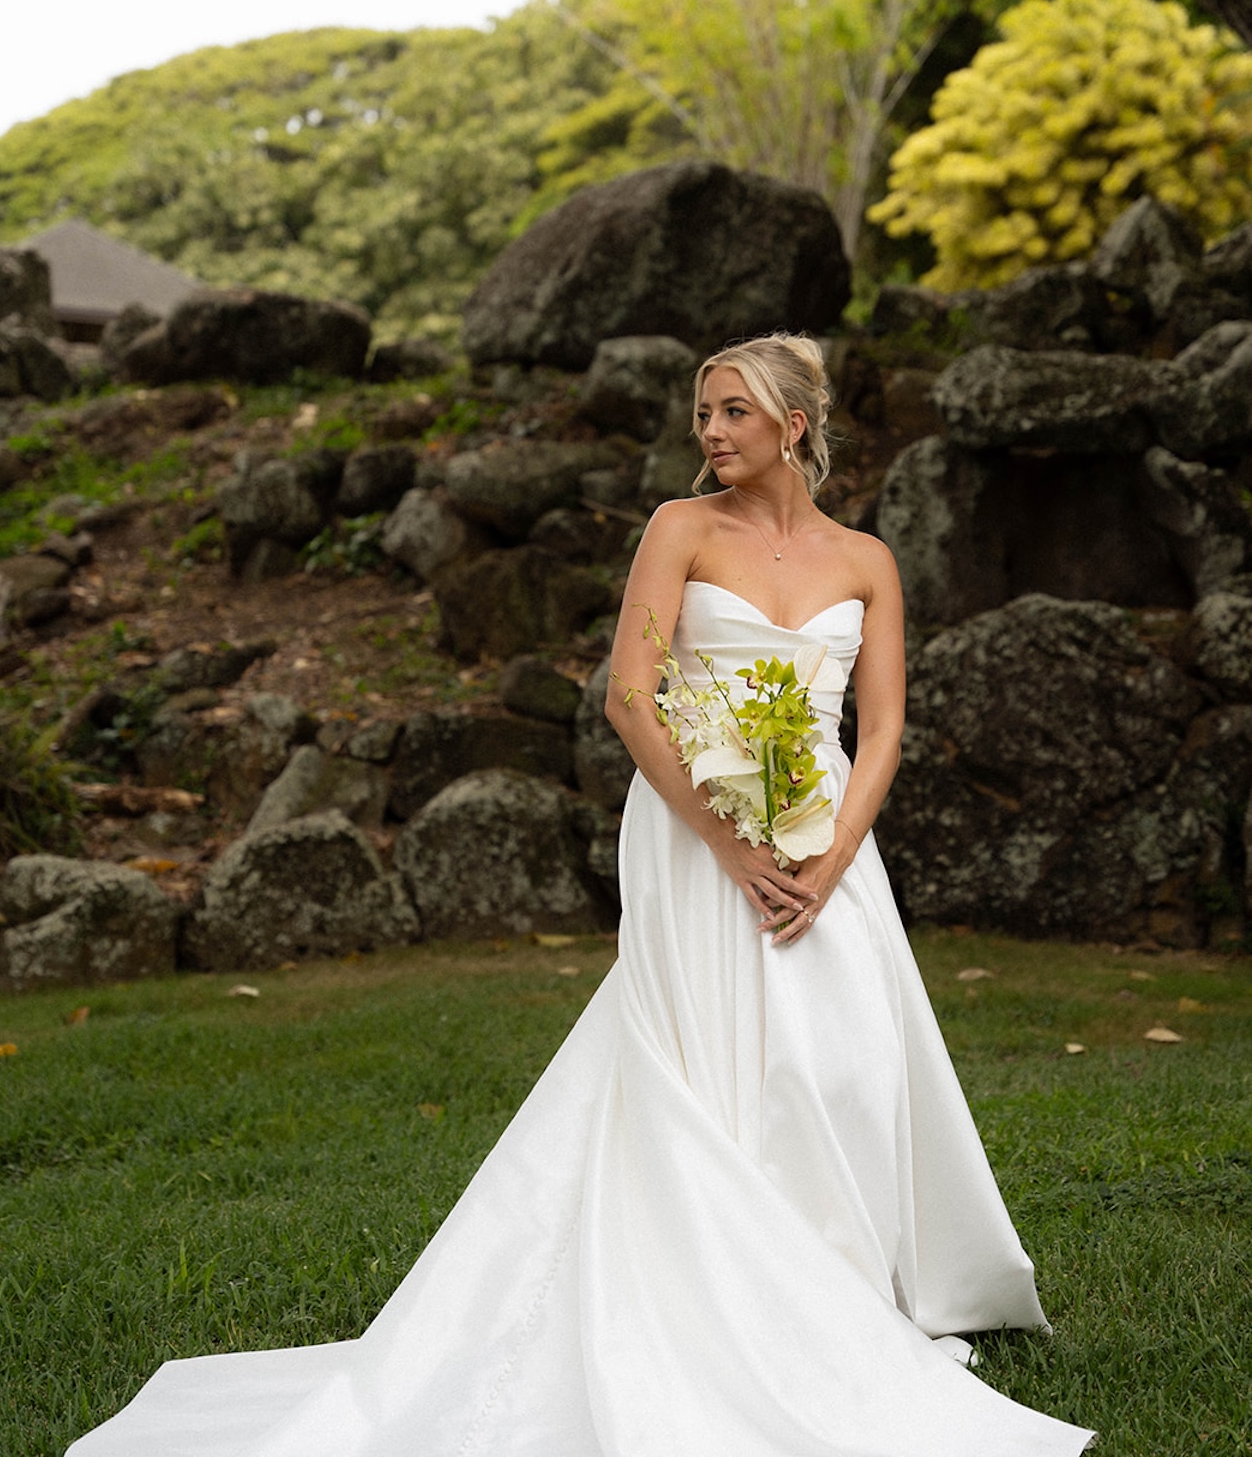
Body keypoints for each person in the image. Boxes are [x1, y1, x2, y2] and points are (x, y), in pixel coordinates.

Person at [68, 333, 1094, 1457]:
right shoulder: (678, 530)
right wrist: (727, 843)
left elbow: (885, 723)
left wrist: (830, 854)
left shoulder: (866, 559)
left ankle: (833, 1290)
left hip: (824, 830)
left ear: (793, 425)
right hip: (692, 825)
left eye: (732, 412)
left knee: (833, 1056)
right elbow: (629, 698)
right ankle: (712, 1300)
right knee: (709, 1054)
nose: (708, 431)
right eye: (701, 411)